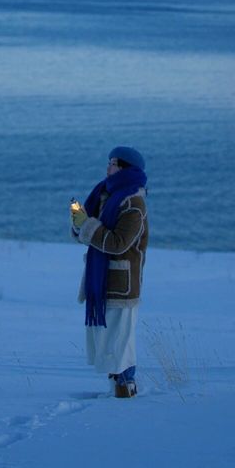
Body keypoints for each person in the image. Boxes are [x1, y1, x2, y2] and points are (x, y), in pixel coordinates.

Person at [71, 145, 148, 399]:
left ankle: (126, 389)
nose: (108, 167)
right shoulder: (105, 194)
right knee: (108, 340)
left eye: (113, 162)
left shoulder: (134, 202)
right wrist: (80, 222)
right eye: (109, 161)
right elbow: (91, 234)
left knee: (120, 341)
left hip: (122, 283)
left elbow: (118, 243)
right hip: (102, 280)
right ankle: (116, 387)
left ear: (127, 168)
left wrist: (88, 227)